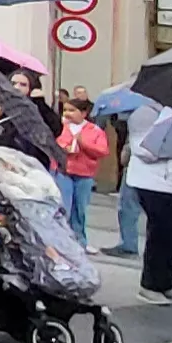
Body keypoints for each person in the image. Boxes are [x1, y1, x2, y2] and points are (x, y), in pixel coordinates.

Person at [123, 98, 172, 305]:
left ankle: (165, 284)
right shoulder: (144, 112)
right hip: (151, 182)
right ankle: (150, 285)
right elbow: (143, 149)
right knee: (161, 234)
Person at [50, 93, 111, 244]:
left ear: (83, 113)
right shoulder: (61, 128)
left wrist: (83, 143)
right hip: (64, 171)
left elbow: (102, 151)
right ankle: (61, 239)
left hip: (84, 174)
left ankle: (79, 240)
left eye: (72, 110)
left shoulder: (95, 130)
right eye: (65, 110)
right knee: (64, 207)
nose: (67, 114)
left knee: (80, 209)